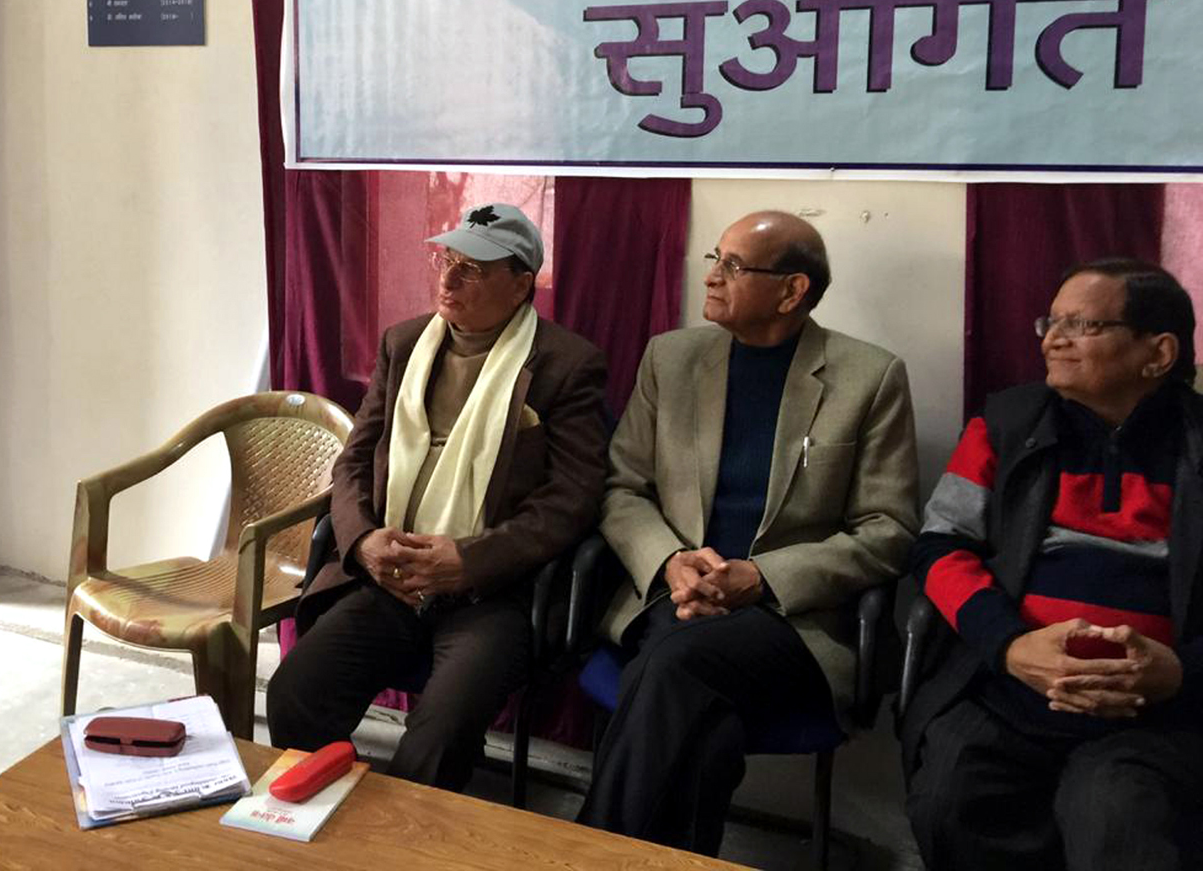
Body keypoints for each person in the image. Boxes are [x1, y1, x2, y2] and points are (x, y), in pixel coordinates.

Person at [577, 210, 919, 856]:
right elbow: (622, 486)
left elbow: (889, 529)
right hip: (670, 597)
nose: (710, 276)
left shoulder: (868, 376)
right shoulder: (670, 357)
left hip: (790, 623)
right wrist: (672, 560)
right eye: (714, 257)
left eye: (732, 265)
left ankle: (589, 855)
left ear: (792, 291)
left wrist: (761, 577)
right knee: (705, 730)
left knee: (673, 663)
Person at [266, 202, 607, 789]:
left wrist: (468, 560)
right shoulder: (404, 344)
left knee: (440, 732)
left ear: (521, 284)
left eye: (472, 269)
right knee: (297, 691)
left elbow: (571, 499)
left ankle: (413, 844)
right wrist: (365, 540)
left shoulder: (566, 365)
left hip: (490, 595)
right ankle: (335, 819)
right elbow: (354, 459)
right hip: (389, 576)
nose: (447, 280)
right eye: (447, 260)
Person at [902, 258, 1203, 871]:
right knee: (950, 797)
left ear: (1159, 351)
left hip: (1158, 711)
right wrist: (1011, 647)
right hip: (1010, 686)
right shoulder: (1008, 425)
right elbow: (939, 546)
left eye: (1082, 324)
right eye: (1051, 320)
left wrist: (1178, 674)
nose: (1052, 339)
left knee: (1116, 813)